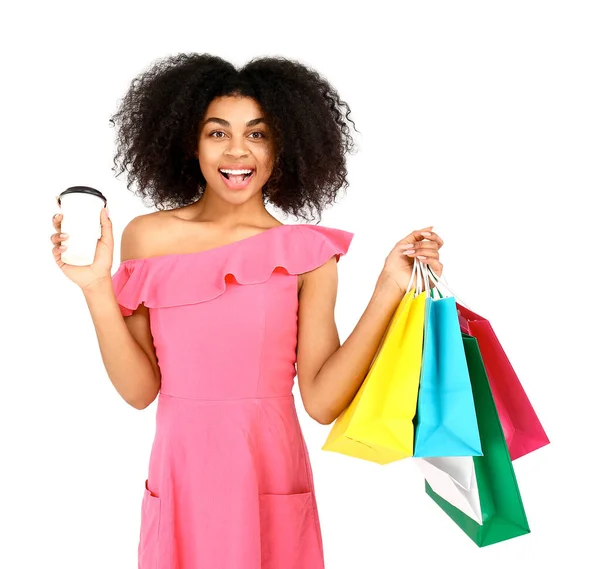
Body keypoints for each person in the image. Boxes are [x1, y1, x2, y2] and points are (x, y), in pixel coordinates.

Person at [49, 53, 444, 569]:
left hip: (270, 472)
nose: (238, 151)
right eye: (218, 133)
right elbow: (140, 391)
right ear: (190, 143)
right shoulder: (148, 237)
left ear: (284, 144)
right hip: (181, 474)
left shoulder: (308, 252)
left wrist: (389, 287)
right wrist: (96, 289)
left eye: (257, 134)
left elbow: (322, 402)